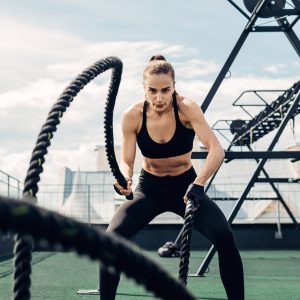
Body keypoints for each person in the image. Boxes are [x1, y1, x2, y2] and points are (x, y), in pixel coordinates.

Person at [100, 55, 244, 300]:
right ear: (144, 89)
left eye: (165, 90)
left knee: (224, 237)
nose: (159, 97)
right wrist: (126, 179)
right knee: (110, 240)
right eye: (152, 91)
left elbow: (216, 150)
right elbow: (127, 160)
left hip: (186, 187)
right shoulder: (133, 115)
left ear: (174, 87)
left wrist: (198, 184)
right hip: (149, 188)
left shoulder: (187, 108)